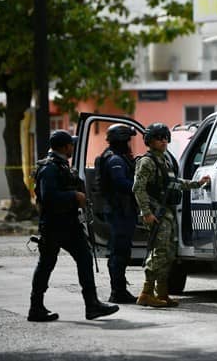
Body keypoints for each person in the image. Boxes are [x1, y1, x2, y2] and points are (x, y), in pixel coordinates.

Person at [28, 130, 119, 322]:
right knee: (46, 265)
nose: (73, 147)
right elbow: (49, 197)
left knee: (85, 259)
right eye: (71, 144)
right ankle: (35, 307)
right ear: (64, 146)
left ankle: (92, 305)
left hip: (69, 224)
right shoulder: (50, 168)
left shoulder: (62, 166)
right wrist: (74, 196)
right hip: (54, 225)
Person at [133, 123, 210, 308]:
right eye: (160, 138)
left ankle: (162, 293)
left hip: (166, 212)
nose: (164, 141)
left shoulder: (164, 161)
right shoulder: (147, 161)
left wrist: (197, 184)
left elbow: (174, 183)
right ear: (150, 141)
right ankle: (146, 293)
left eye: (166, 137)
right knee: (158, 252)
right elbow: (138, 188)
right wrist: (146, 212)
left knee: (168, 253)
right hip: (156, 213)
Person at [98, 124, 138, 303]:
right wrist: (140, 187)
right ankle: (118, 291)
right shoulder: (115, 160)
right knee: (119, 251)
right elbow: (121, 183)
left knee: (120, 250)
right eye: (128, 140)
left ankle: (119, 288)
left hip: (119, 210)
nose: (130, 143)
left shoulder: (113, 156)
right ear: (122, 140)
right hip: (119, 211)